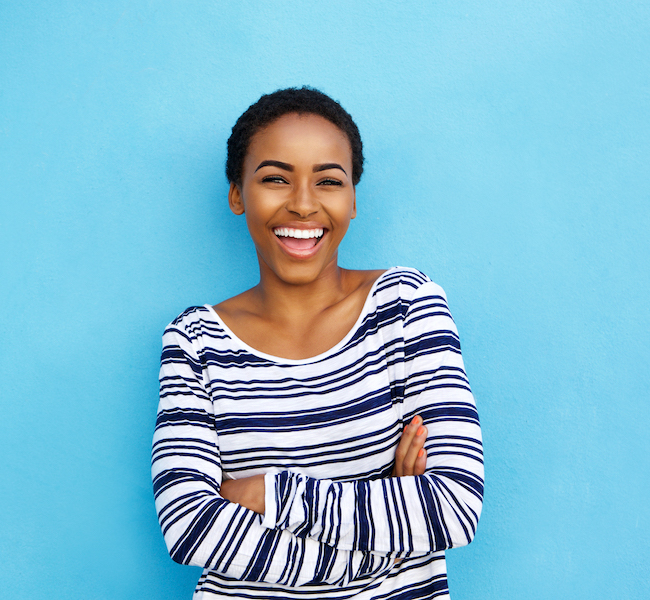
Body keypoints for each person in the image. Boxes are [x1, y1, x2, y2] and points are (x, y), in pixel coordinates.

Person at [151, 87, 484, 599]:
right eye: (275, 178)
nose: (304, 204)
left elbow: (453, 508)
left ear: (352, 200)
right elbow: (189, 526)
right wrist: (384, 542)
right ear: (238, 193)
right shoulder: (195, 341)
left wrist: (267, 493)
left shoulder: (406, 306)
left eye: (329, 181)